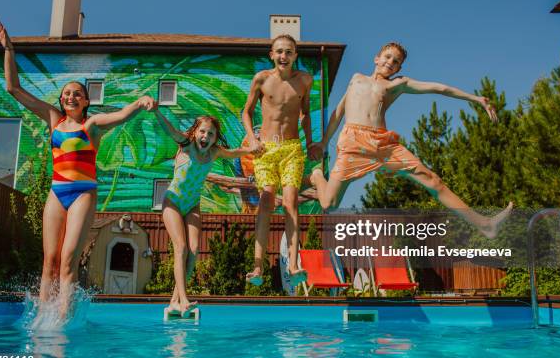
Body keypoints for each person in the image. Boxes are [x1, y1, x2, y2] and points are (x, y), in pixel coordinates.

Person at [0, 22, 157, 316]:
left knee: (68, 260)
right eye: (67, 93)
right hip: (57, 192)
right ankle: (45, 317)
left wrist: (138, 102)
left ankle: (64, 319)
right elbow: (13, 88)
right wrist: (9, 49)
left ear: (86, 101)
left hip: (83, 193)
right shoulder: (53, 120)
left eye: (77, 94)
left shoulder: (90, 126)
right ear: (61, 100)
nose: (71, 96)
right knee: (50, 261)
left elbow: (119, 116)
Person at [310, 42, 512, 238]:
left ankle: (485, 225)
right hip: (353, 143)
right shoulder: (357, 78)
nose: (390, 62)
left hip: (384, 145)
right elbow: (338, 112)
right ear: (377, 58)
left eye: (396, 61)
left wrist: (476, 99)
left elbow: (439, 88)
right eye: (387, 57)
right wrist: (324, 142)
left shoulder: (398, 84)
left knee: (433, 181)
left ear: (399, 67)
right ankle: (317, 174)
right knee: (329, 204)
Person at [154, 111, 256, 316]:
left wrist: (252, 149)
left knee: (193, 251)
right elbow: (170, 130)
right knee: (181, 247)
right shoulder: (186, 145)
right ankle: (183, 301)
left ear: (215, 138)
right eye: (202, 132)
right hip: (172, 201)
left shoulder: (214, 152)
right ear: (194, 132)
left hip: (192, 204)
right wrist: (156, 110)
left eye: (210, 134)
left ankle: (175, 300)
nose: (205, 137)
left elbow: (235, 152)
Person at [242, 34, 322, 286]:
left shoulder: (305, 81)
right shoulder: (262, 79)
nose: (283, 56)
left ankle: (294, 264)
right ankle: (257, 267)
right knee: (266, 202)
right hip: (265, 150)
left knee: (290, 203)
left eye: (288, 52)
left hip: (291, 149)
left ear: (295, 56)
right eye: (279, 51)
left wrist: (310, 143)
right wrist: (251, 140)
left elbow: (306, 115)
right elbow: (246, 111)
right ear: (271, 54)